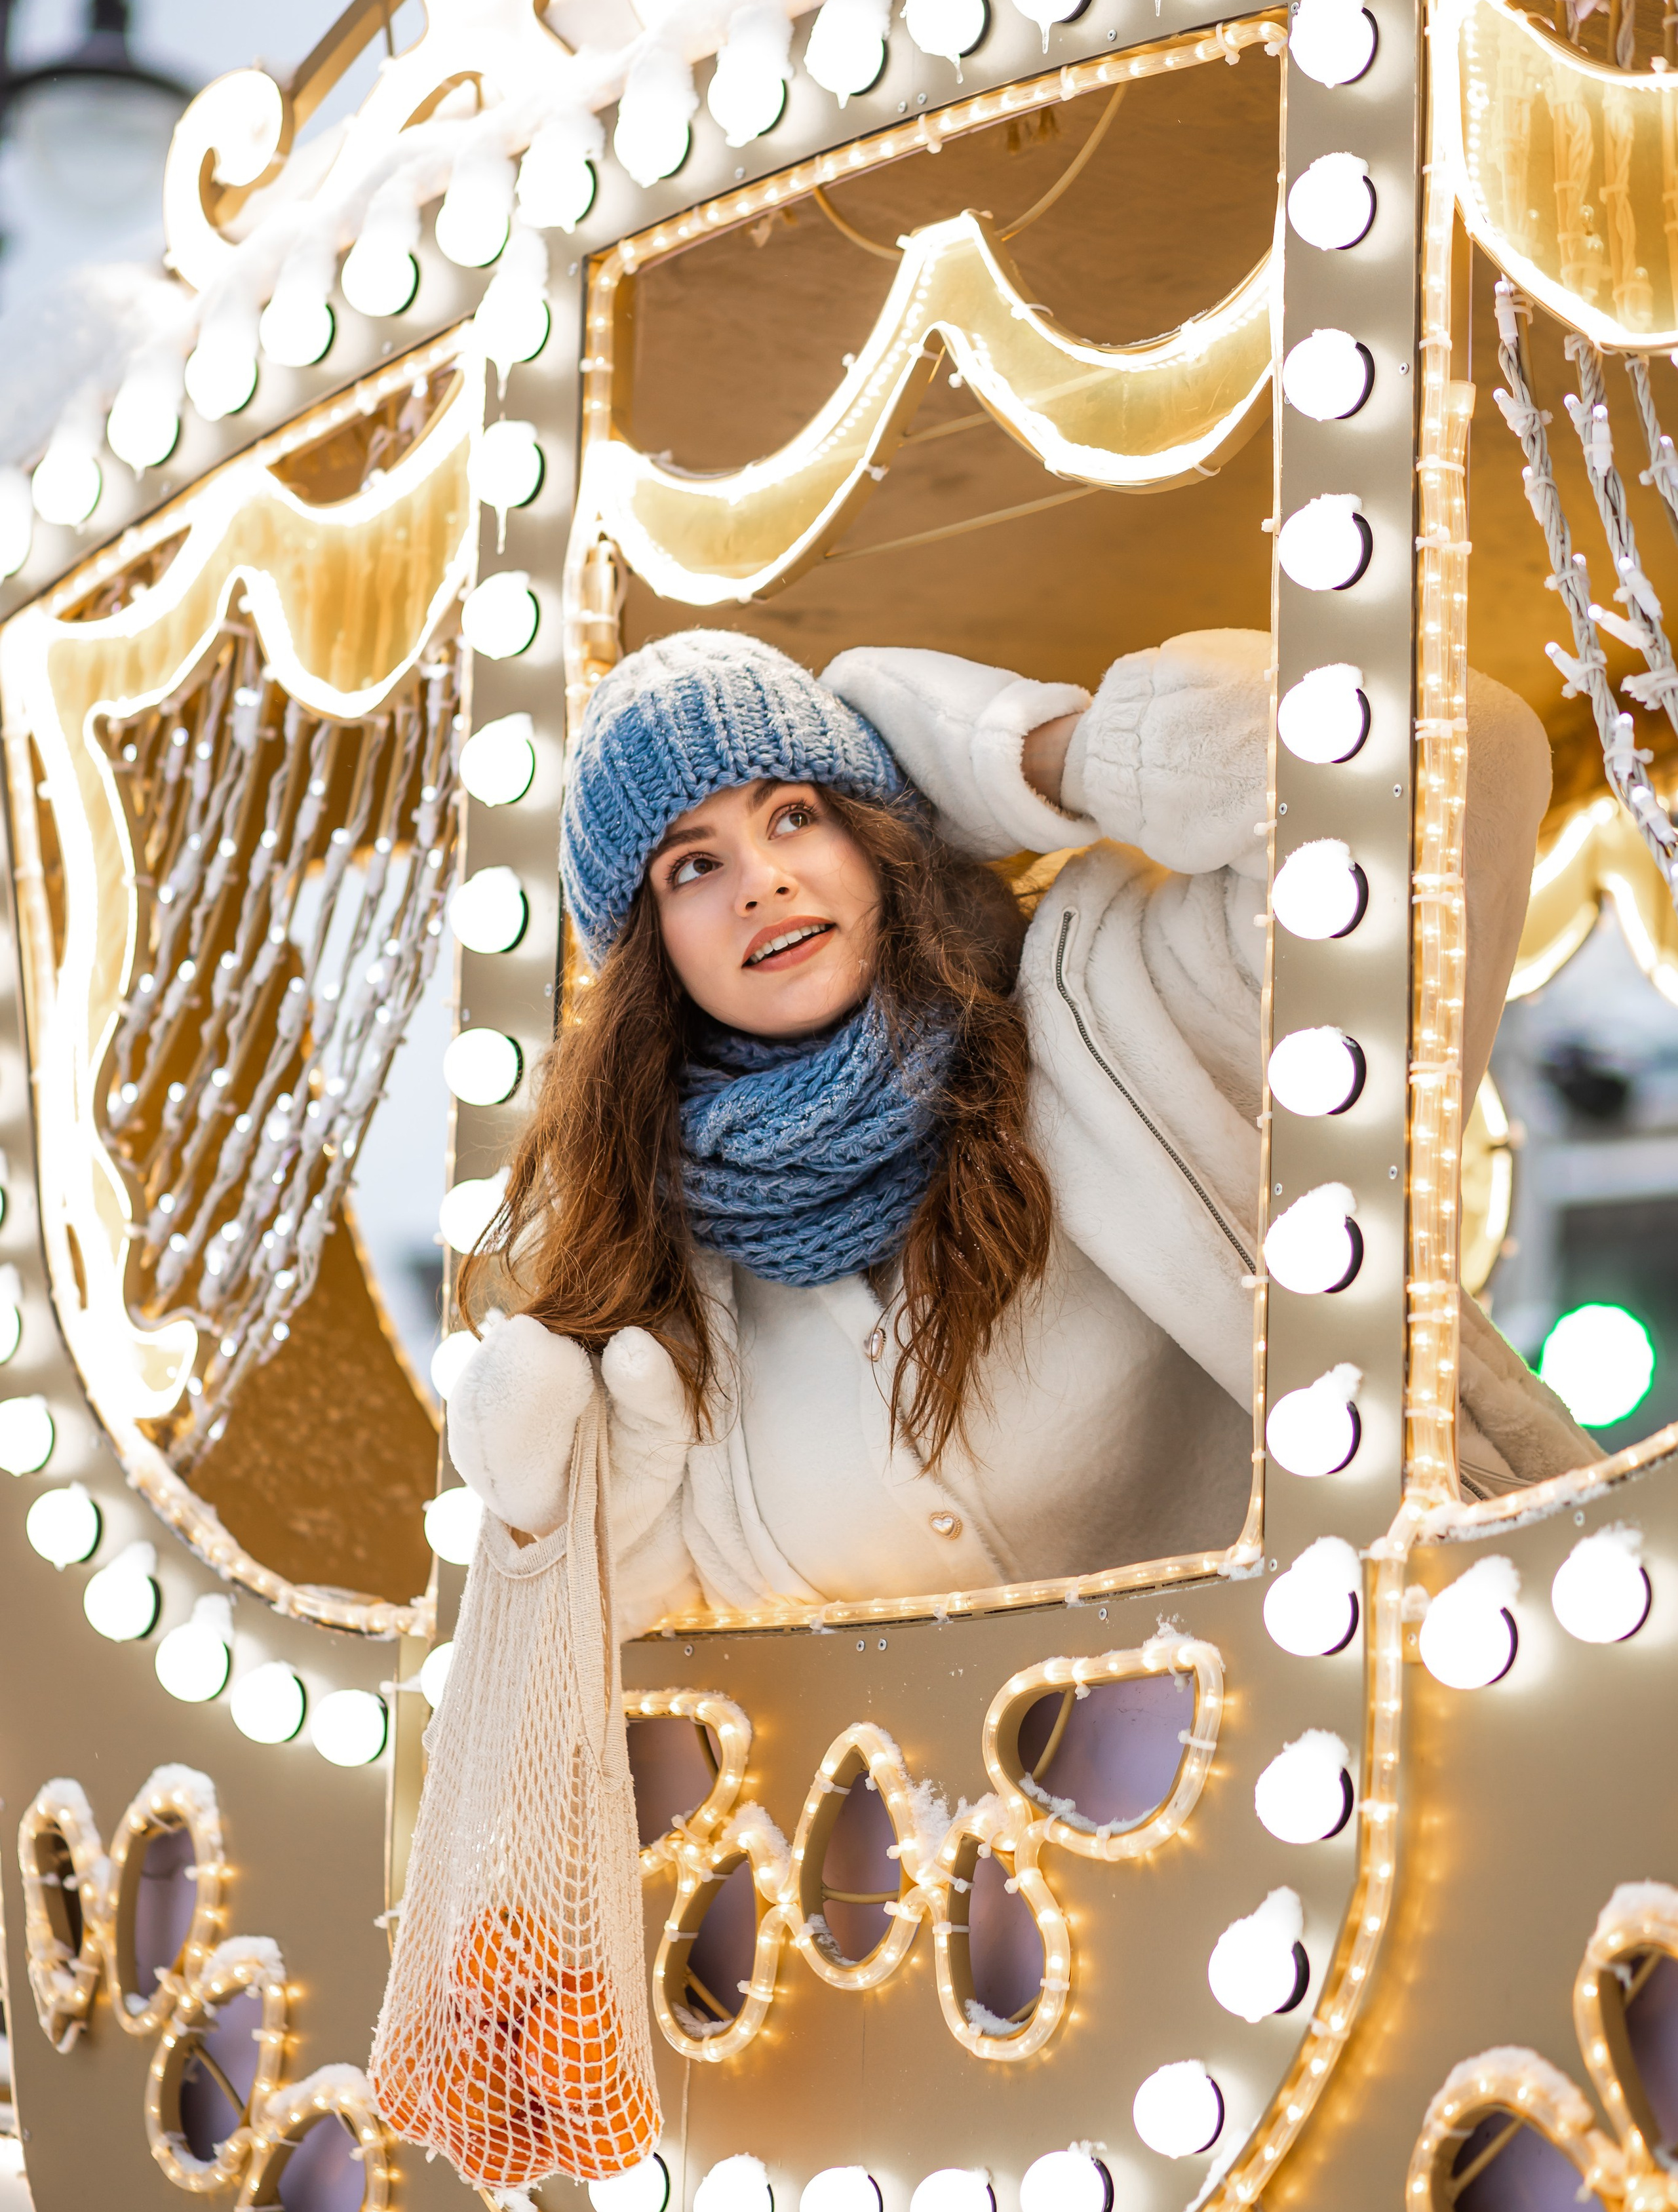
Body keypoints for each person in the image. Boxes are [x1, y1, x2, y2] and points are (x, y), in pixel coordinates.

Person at [446, 627, 1595, 1631]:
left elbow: (1460, 757)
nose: (762, 881)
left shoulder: (1129, 1007)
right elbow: (676, 1685)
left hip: (1368, 1776)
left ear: (876, 833)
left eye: (796, 813)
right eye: (693, 865)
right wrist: (578, 1528)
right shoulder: (653, 1265)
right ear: (649, 951)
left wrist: (1030, 755)